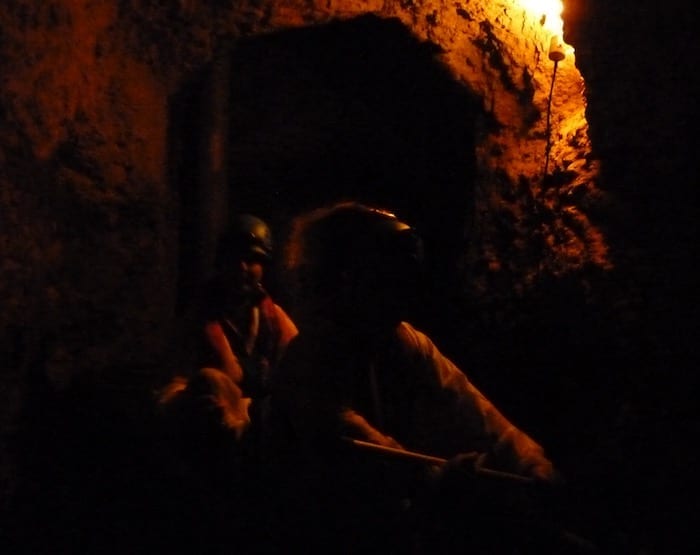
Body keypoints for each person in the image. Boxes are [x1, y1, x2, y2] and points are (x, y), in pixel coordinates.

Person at [262, 201, 589, 554]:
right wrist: (444, 482)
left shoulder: (400, 339)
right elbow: (375, 461)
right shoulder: (311, 360)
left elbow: (473, 409)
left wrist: (531, 461)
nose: (402, 294)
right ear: (345, 279)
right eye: (387, 280)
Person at [156, 213, 297, 553]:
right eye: (236, 259)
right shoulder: (199, 321)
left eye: (253, 260)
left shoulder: (272, 319)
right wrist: (201, 404)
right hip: (213, 452)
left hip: (262, 444)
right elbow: (171, 387)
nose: (243, 269)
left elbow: (300, 369)